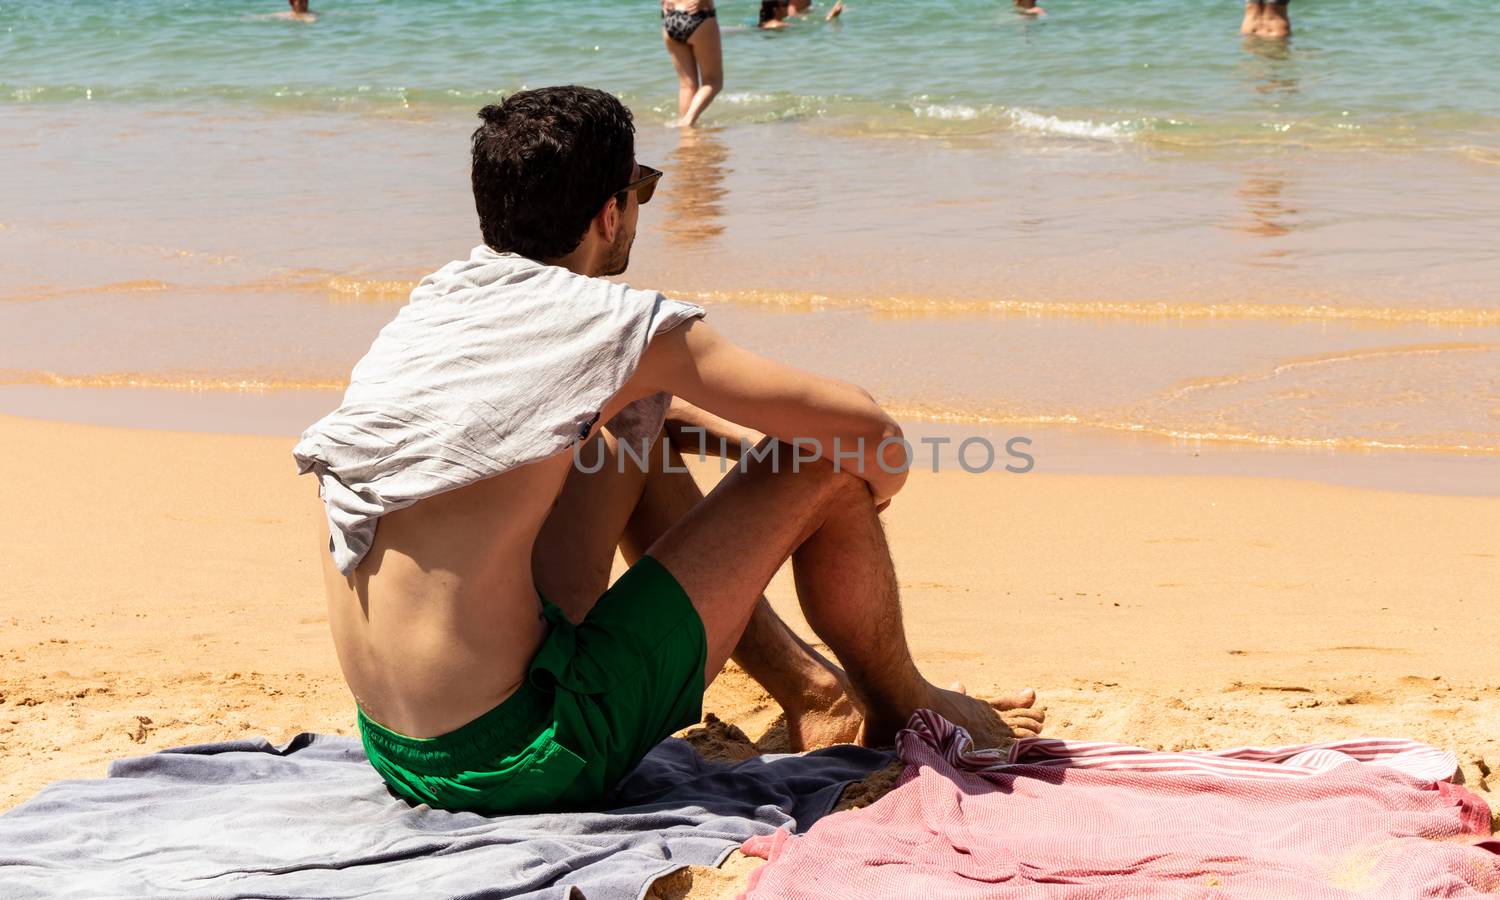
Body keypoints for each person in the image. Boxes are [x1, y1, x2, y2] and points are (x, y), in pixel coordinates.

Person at [293, 86, 1044, 815]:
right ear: (609, 212)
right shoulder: (616, 326)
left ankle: (812, 696)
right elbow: (871, 437)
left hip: (401, 745)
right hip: (522, 760)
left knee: (637, 422)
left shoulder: (442, 303)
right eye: (642, 188)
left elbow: (620, 410)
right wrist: (827, 489)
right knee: (822, 463)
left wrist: (732, 443)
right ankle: (905, 705)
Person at [662, 0, 723, 127]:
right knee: (713, 82)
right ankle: (688, 121)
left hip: (671, 16)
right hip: (698, 16)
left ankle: (686, 131)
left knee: (687, 85)